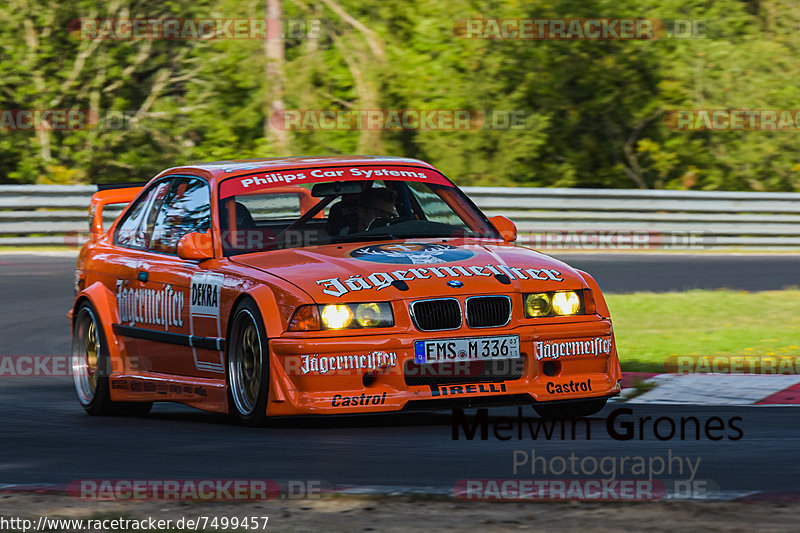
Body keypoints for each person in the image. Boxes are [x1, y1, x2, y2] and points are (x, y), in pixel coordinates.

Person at [327, 186, 398, 235]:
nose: (385, 219)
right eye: (380, 212)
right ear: (361, 212)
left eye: (390, 215)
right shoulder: (342, 238)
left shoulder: (397, 238)